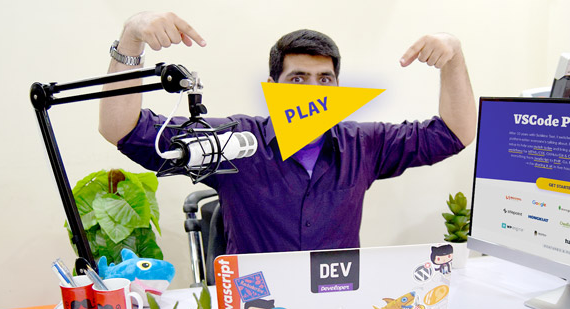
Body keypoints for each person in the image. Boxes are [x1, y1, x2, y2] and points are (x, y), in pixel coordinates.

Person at [99, 11, 476, 255]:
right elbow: (122, 129)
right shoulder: (235, 142)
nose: (313, 91)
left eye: (324, 79)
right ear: (272, 87)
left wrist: (453, 54)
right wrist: (132, 36)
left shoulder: (364, 144)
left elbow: (454, 133)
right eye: (298, 79)